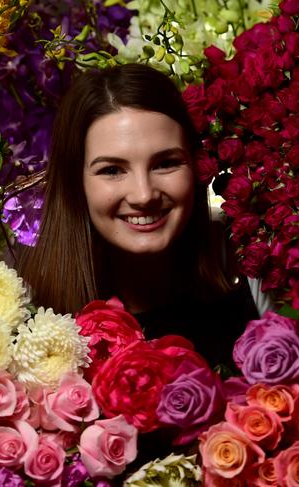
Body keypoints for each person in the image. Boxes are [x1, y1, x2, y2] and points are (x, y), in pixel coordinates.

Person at [17, 63, 263, 367]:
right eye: (112, 170)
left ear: (195, 165)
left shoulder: (250, 268)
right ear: (75, 183)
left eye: (165, 163)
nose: (144, 195)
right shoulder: (26, 312)